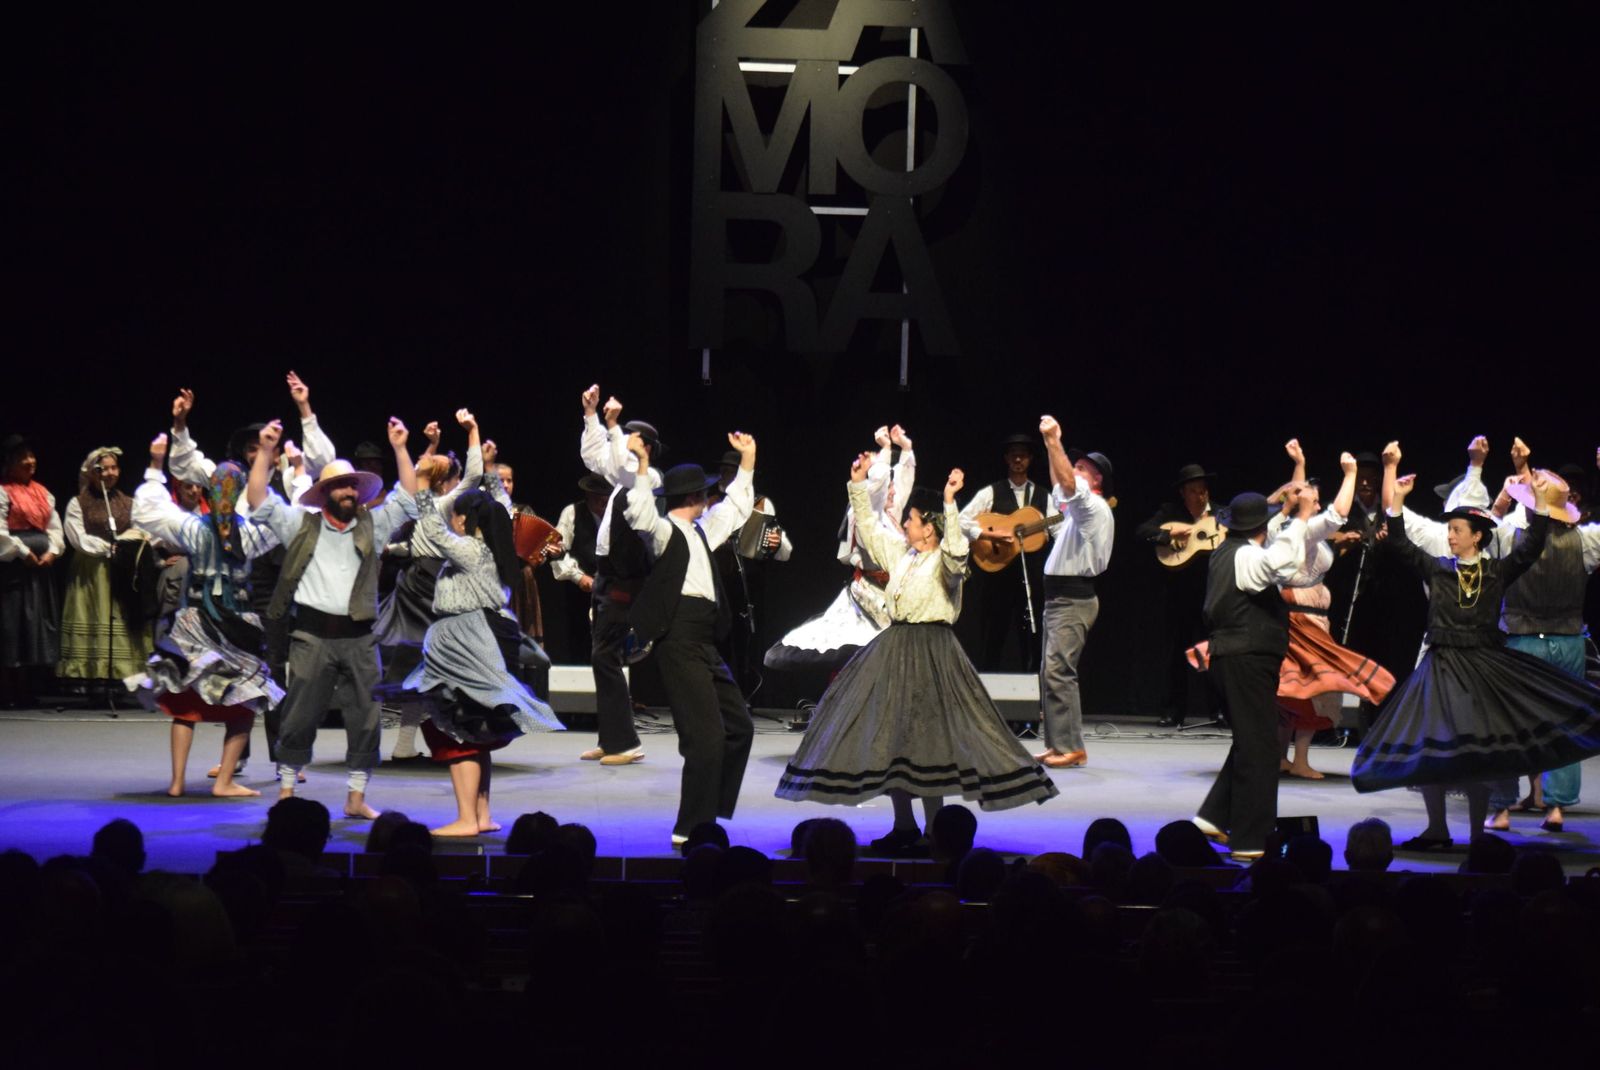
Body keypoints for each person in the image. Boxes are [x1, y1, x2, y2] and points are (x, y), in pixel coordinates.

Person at [777, 450, 1058, 855]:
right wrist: (857, 484)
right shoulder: (902, 555)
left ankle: (935, 830)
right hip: (895, 649)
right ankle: (904, 826)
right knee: (894, 739)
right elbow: (869, 530)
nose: (905, 524)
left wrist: (950, 502)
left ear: (928, 528)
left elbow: (957, 550)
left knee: (928, 742)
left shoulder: (946, 562)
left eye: (911, 519)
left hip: (932, 653)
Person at [1351, 442, 1600, 849]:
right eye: (1449, 529)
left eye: (1456, 530)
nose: (1449, 535)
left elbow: (1532, 546)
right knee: (1432, 749)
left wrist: (1539, 503)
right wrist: (1397, 498)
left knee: (1477, 754)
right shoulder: (1438, 569)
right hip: (1441, 666)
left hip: (1481, 666)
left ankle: (1479, 834)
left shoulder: (1497, 572)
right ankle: (1437, 829)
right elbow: (1399, 542)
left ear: (1477, 537)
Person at [246, 416, 419, 819]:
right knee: (299, 715)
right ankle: (287, 790)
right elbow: (258, 499)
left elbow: (408, 498)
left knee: (366, 718)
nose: (348, 491)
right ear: (324, 492)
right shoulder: (300, 525)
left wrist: (399, 448)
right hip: (312, 635)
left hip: (360, 637)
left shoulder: (373, 525)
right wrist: (267, 450)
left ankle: (356, 798)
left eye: (352, 485)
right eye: (340, 486)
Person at [403, 448, 562, 836]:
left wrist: (422, 484)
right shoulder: (496, 550)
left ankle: (466, 819)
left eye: (456, 515)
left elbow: (432, 531)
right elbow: (496, 511)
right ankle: (481, 814)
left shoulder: (472, 550)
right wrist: (486, 465)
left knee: (458, 727)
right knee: (478, 728)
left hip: (468, 640)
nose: (451, 520)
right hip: (485, 636)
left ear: (464, 519)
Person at [622, 430, 758, 846]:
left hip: (705, 641)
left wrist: (748, 459)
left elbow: (735, 508)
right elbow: (640, 516)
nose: (711, 498)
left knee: (739, 727)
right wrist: (642, 465)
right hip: (679, 640)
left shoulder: (702, 530)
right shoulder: (666, 532)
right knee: (705, 739)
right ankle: (691, 828)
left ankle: (709, 812)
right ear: (696, 496)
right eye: (705, 493)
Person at [129, 434, 283, 798]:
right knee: (245, 700)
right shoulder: (253, 532)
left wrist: (155, 465)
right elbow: (283, 517)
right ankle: (224, 781)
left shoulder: (192, 527)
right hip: (236, 624)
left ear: (209, 492)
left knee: (185, 702)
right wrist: (287, 469)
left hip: (194, 621)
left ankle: (177, 782)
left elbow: (146, 511)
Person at [1190, 486, 1315, 862]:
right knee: (1261, 749)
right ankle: (1250, 840)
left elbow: (1267, 546)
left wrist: (1287, 514)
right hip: (1245, 659)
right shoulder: (1247, 557)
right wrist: (1301, 518)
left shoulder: (1229, 550)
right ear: (1261, 527)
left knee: (1251, 741)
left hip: (1235, 657)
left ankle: (1212, 817)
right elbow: (1281, 562)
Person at [1479, 458, 1600, 833]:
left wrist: (1502, 500)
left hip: (1521, 640)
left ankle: (1501, 808)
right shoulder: (1585, 541)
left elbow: (1480, 532)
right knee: (1564, 722)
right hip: (1567, 641)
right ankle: (1556, 807)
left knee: (1508, 726)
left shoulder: (1507, 536)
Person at [1263, 442, 1394, 778]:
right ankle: (1299, 759)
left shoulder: (1281, 526)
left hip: (1301, 618)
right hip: (1303, 620)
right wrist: (1349, 475)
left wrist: (1300, 462)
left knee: (1294, 688)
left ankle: (1280, 756)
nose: (1317, 503)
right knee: (1314, 688)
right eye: (1313, 500)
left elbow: (1296, 493)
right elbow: (1336, 514)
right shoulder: (1302, 531)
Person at [763, 425, 914, 673]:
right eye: (888, 485)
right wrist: (885, 451)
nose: (893, 491)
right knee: (860, 653)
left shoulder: (889, 515)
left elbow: (903, 483)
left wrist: (905, 448)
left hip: (888, 594)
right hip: (869, 597)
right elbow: (874, 493)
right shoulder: (864, 514)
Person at [576, 383, 663, 766]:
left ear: (645, 448)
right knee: (601, 657)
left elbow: (620, 466)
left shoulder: (648, 477)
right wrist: (592, 415)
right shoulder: (624, 475)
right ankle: (611, 739)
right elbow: (596, 458)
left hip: (625, 579)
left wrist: (612, 427)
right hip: (607, 575)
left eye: (631, 439)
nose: (623, 442)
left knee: (606, 655)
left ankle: (626, 743)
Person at [1031, 415, 1114, 769]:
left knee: (1059, 671)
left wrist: (1054, 440)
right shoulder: (1076, 511)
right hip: (1060, 599)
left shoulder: (1093, 507)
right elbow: (1061, 483)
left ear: (1096, 480)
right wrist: (1051, 449)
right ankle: (1057, 744)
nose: (1074, 471)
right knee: (1049, 672)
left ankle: (1071, 747)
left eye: (1082, 469)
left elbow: (1066, 482)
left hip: (1073, 600)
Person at [59, 445, 153, 699]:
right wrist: (106, 547)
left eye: (114, 468)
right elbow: (77, 536)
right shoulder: (78, 503)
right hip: (92, 570)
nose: (110, 473)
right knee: (93, 616)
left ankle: (121, 676)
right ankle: (91, 674)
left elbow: (142, 530)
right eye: (103, 469)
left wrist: (125, 544)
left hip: (123, 568)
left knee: (120, 619)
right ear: (91, 473)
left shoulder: (128, 503)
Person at [1135, 463, 1221, 727]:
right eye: (1194, 491)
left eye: (1203, 490)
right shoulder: (1171, 513)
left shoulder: (1220, 515)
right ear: (1183, 493)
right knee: (1176, 653)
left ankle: (1219, 710)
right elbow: (1142, 531)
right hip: (1179, 595)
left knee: (1214, 652)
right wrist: (1168, 534)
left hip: (1212, 595)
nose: (1200, 496)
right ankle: (1173, 710)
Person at [960, 432, 1049, 671]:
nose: (1018, 460)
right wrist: (989, 535)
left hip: (1031, 576)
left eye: (1023, 456)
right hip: (997, 575)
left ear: (1030, 459)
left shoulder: (1043, 496)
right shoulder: (991, 492)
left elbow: (1058, 529)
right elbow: (961, 521)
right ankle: (987, 683)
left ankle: (1032, 684)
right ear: (1007, 459)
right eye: (1013, 455)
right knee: (993, 631)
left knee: (1031, 634)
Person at [710, 447, 791, 697]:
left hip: (748, 585)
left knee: (745, 643)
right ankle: (717, 696)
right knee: (718, 641)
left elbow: (785, 550)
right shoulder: (711, 501)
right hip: (718, 583)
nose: (724, 475)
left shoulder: (761, 503)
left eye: (730, 471)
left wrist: (777, 543)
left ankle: (743, 696)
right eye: (723, 470)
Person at [0, 435, 63, 708]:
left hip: (39, 571)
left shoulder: (42, 492)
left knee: (33, 627)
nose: (29, 461)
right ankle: (7, 690)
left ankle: (26, 688)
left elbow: (55, 528)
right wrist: (23, 552)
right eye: (22, 458)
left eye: (31, 455)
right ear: (9, 463)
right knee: (11, 625)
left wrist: (52, 551)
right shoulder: (3, 491)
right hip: (13, 570)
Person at [550, 473, 612, 663]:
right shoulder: (573, 513)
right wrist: (578, 577)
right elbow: (557, 551)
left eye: (606, 495)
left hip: (611, 592)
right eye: (598, 495)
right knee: (581, 642)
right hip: (581, 591)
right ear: (588, 495)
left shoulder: (616, 516)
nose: (602, 500)